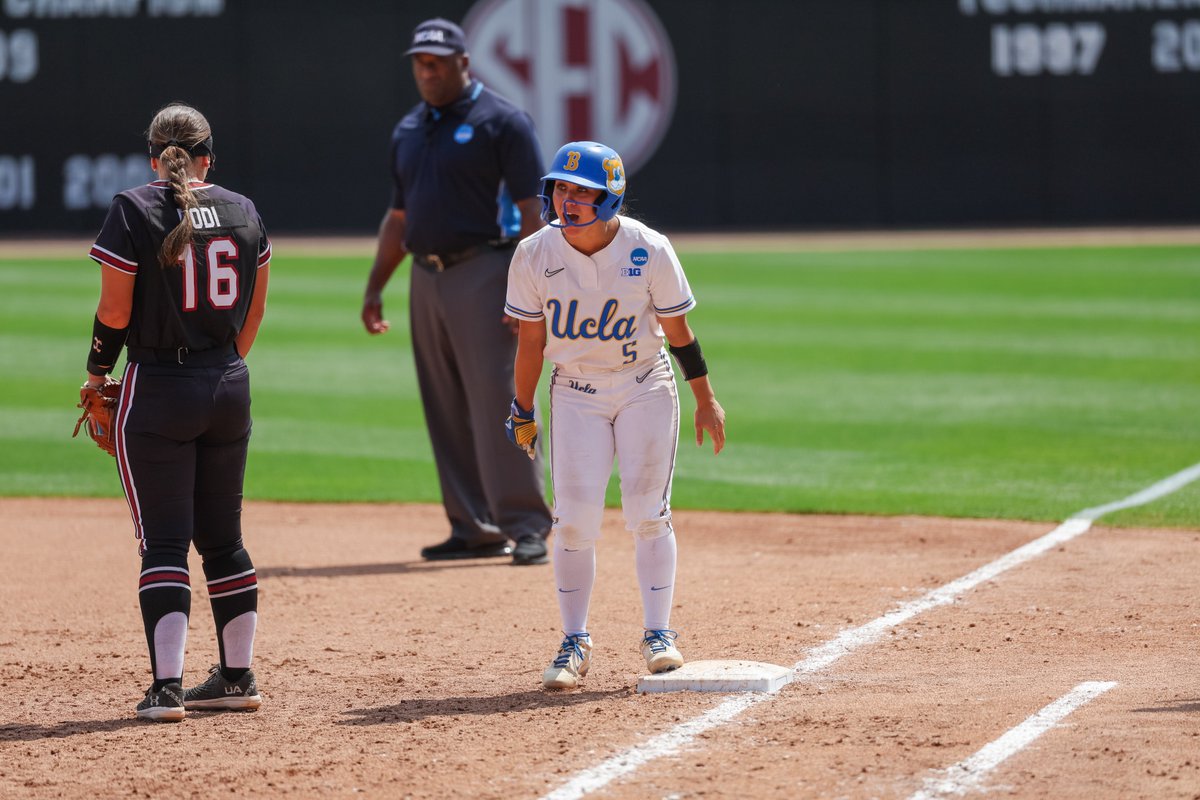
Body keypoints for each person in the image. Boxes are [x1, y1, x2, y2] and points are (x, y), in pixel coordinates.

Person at [503, 141, 727, 690]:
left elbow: (679, 333)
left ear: (610, 199)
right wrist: (522, 408)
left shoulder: (648, 249)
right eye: (560, 188)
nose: (567, 200)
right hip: (575, 390)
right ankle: (574, 641)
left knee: (647, 512)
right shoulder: (534, 253)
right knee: (573, 520)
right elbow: (531, 341)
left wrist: (705, 397)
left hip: (644, 385)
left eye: (582, 192)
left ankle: (659, 633)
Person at [83, 103, 271, 721]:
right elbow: (253, 315)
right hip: (229, 381)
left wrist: (96, 372)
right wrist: (219, 366)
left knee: (164, 542)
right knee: (224, 539)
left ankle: (167, 689)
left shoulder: (134, 208)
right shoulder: (244, 210)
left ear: (153, 156)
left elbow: (114, 314)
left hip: (160, 386)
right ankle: (237, 677)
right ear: (208, 156)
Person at [362, 17, 552, 566]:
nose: (427, 72)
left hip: (486, 272)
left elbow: (531, 212)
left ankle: (526, 523)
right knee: (443, 403)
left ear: (463, 63)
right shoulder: (408, 129)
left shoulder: (502, 122)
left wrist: (527, 291)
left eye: (437, 63)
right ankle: (473, 525)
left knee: (502, 397)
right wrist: (376, 286)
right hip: (426, 276)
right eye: (420, 63)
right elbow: (398, 218)